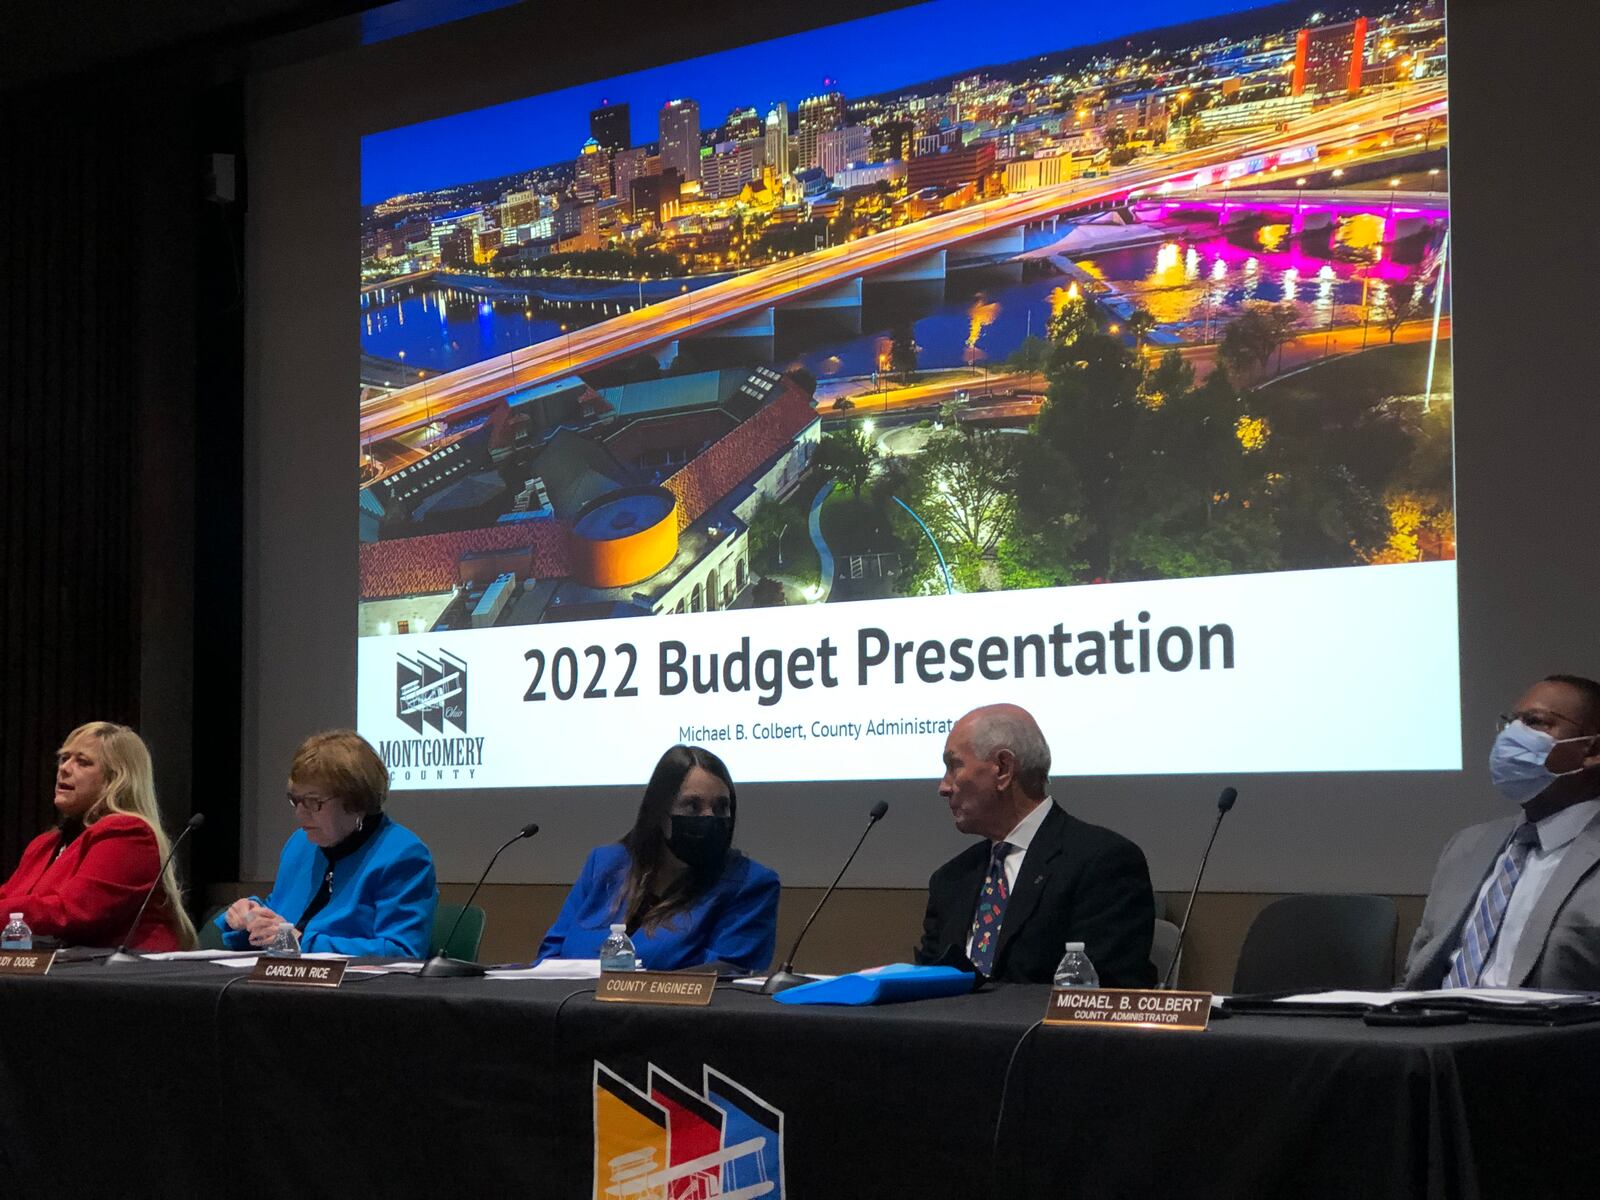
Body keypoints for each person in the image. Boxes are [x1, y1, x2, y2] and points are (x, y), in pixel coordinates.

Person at [915, 703, 1156, 986]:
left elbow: (1101, 993)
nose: (943, 787)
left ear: (1003, 769)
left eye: (954, 766)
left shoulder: (1102, 863)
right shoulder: (951, 879)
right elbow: (925, 986)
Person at [1405, 674, 1600, 990]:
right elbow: (1418, 970)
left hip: (1546, 1035)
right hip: (1436, 1028)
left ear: (1591, 751)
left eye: (1534, 723)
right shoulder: (1467, 846)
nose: (1512, 735)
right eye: (1511, 723)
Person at [538, 745, 779, 973]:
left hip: (672, 1017)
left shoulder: (750, 884)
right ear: (659, 813)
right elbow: (549, 958)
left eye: (721, 807)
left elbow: (725, 978)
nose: (709, 817)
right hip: (572, 1012)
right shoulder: (604, 865)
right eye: (692, 806)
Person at [215, 730, 436, 957]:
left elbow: (403, 951)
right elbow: (280, 916)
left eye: (313, 802)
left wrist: (300, 942)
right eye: (296, 800)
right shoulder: (301, 844)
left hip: (355, 989)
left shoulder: (403, 855)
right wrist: (250, 915)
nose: (300, 814)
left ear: (355, 801)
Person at [0, 721, 196, 951]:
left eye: (82, 762)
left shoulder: (129, 834)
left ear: (116, 779)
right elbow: (9, 899)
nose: (64, 768)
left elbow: (72, 912)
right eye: (64, 758)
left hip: (126, 977)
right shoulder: (45, 845)